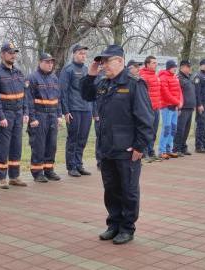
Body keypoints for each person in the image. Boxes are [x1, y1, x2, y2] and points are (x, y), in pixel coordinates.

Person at [80, 45, 154, 245]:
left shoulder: (134, 84)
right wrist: (91, 72)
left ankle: (127, 227)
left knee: (128, 190)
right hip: (106, 148)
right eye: (101, 62)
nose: (104, 66)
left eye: (107, 61)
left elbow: (146, 118)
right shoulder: (104, 84)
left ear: (120, 61)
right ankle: (113, 224)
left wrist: (140, 146)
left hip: (127, 149)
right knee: (111, 189)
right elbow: (86, 94)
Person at [0, 42, 28, 189]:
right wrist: (0, 116)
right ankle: (1, 178)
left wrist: (25, 112)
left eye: (14, 52)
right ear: (2, 54)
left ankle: (14, 176)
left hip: (18, 114)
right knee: (3, 147)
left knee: (16, 146)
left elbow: (24, 95)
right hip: (5, 114)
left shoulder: (19, 73)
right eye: (10, 52)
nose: (13, 55)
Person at [26, 53, 63, 183]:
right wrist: (32, 118)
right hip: (39, 116)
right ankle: (37, 172)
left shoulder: (54, 78)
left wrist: (59, 115)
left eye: (51, 62)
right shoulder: (32, 78)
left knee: (51, 144)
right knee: (39, 145)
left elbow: (58, 99)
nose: (50, 65)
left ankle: (49, 170)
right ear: (40, 62)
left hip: (52, 115)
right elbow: (28, 100)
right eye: (47, 62)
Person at [60, 44, 92, 177]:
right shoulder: (68, 70)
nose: (83, 56)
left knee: (83, 138)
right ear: (74, 54)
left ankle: (79, 164)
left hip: (86, 109)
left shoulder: (87, 70)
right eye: (80, 53)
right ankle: (71, 166)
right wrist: (66, 111)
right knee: (73, 138)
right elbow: (63, 91)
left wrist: (94, 111)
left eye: (84, 54)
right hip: (74, 109)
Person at [158, 60, 182, 159]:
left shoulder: (175, 78)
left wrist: (180, 102)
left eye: (176, 67)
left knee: (173, 129)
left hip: (174, 107)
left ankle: (169, 150)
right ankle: (162, 151)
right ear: (168, 67)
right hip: (167, 107)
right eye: (173, 67)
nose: (175, 68)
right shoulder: (163, 78)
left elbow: (179, 91)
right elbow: (166, 93)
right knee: (166, 129)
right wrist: (177, 102)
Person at [139, 56, 161, 162]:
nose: (155, 64)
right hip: (148, 108)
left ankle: (151, 150)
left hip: (156, 107)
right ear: (147, 64)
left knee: (154, 131)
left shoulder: (156, 76)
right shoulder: (143, 76)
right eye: (153, 63)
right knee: (147, 130)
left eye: (156, 63)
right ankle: (144, 152)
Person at [173, 60, 196, 155]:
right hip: (183, 107)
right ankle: (176, 148)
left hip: (190, 107)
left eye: (189, 66)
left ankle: (183, 147)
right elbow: (177, 93)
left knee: (187, 129)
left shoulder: (189, 78)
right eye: (187, 66)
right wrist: (178, 106)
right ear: (182, 67)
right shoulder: (179, 78)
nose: (189, 68)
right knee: (180, 129)